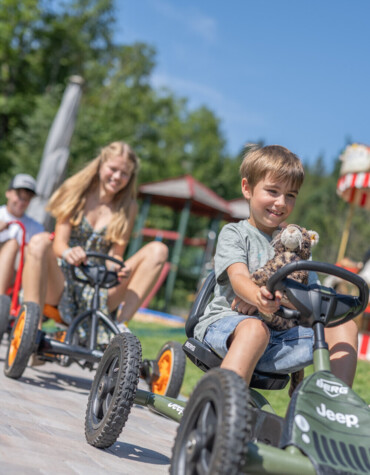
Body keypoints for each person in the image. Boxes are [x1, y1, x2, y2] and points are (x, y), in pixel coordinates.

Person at [194, 144, 358, 389]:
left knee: (344, 326)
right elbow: (238, 277)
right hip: (227, 325)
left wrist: (276, 301)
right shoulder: (235, 233)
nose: (281, 202)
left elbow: (313, 300)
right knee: (254, 328)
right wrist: (255, 296)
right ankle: (222, 402)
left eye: (290, 195)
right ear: (247, 188)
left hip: (281, 338)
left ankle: (336, 406)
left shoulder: (297, 246)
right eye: (272, 191)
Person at [21, 141, 168, 333]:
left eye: (124, 174)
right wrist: (68, 253)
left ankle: (121, 329)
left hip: (99, 286)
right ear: (100, 165)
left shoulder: (128, 207)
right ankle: (32, 330)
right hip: (63, 281)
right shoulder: (76, 191)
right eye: (113, 169)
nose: (117, 177)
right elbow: (59, 243)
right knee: (39, 240)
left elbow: (116, 254)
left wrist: (117, 266)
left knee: (159, 250)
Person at [0, 174, 44, 297]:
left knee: (28, 249)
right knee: (13, 245)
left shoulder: (36, 227)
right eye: (19, 195)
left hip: (18, 275)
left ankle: (26, 297)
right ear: (8, 193)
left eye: (27, 197)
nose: (22, 201)